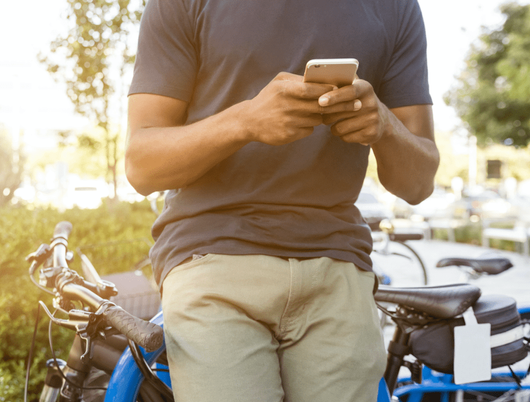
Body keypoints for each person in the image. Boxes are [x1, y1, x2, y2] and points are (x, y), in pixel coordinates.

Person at [124, 0, 439, 401]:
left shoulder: (394, 8)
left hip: (337, 270)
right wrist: (245, 121)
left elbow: (419, 184)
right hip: (213, 260)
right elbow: (141, 166)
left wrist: (385, 127)